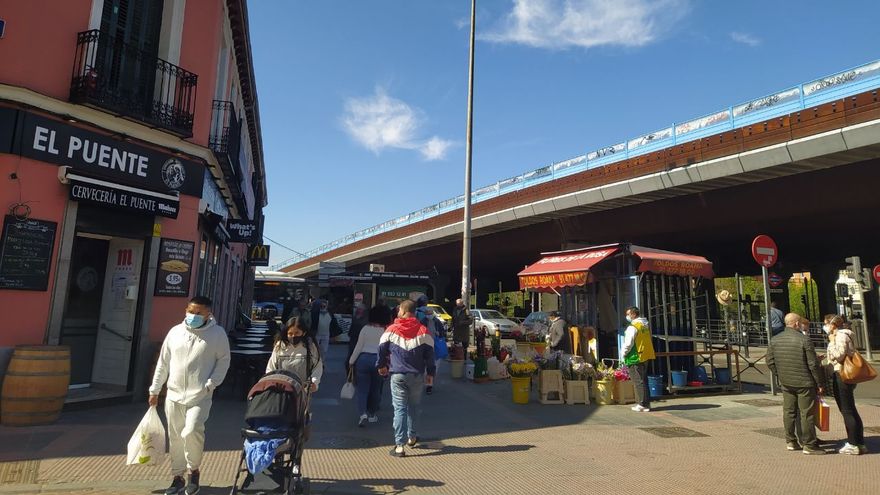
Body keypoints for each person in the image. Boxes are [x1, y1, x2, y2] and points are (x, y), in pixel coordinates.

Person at [149, 296, 231, 495]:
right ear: (186, 309)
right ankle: (177, 477)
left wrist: (210, 385)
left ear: (208, 314)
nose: (193, 316)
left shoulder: (217, 334)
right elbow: (163, 363)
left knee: (192, 431)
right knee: (175, 436)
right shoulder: (175, 332)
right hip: (174, 394)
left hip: (200, 395)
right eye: (191, 311)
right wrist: (155, 389)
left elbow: (224, 361)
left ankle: (193, 471)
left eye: (198, 313)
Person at [377, 300, 435, 457]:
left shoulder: (391, 330)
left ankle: (399, 446)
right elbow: (430, 357)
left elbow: (381, 350)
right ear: (415, 312)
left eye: (399, 310)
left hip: (398, 375)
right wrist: (430, 374)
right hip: (417, 375)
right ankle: (412, 437)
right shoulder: (424, 331)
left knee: (400, 409)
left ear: (402, 311)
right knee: (414, 407)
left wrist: (381, 366)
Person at [766, 313, 826, 455]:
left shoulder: (775, 340)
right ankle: (809, 444)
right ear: (797, 324)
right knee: (807, 413)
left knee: (789, 411)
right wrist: (819, 382)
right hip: (805, 382)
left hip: (786, 382)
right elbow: (812, 364)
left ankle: (791, 441)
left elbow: (770, 361)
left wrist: (779, 374)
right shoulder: (804, 340)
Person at [824, 314, 867, 455]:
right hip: (843, 373)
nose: (825, 327)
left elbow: (840, 355)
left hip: (841, 374)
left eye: (826, 324)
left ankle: (853, 443)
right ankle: (859, 442)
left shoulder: (840, 336)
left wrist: (831, 342)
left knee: (847, 410)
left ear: (833, 324)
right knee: (850, 409)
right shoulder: (843, 335)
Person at [348, 305, 391, 426]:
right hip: (379, 361)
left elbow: (358, 346)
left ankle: (362, 414)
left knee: (362, 389)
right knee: (376, 389)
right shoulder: (386, 331)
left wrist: (351, 361)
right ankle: (372, 414)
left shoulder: (365, 328)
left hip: (363, 359)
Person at [266, 317, 323, 393]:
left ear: (303, 332)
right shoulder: (280, 346)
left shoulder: (310, 347)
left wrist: (314, 382)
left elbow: (317, 366)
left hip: (303, 390)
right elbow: (271, 367)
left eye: (297, 333)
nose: (293, 336)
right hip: (282, 389)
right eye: (290, 333)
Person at [621, 307, 655, 413]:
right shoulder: (644, 325)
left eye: (628, 314)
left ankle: (642, 404)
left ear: (634, 314)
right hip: (645, 354)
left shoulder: (633, 327)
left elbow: (628, 343)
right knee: (643, 380)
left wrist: (623, 354)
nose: (627, 316)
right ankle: (646, 403)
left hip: (636, 356)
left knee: (638, 380)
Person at [345, 302, 369, 372]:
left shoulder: (365, 319)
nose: (358, 310)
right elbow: (352, 328)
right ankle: (350, 372)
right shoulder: (355, 317)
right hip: (353, 339)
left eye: (360, 309)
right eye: (358, 309)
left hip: (360, 340)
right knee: (351, 356)